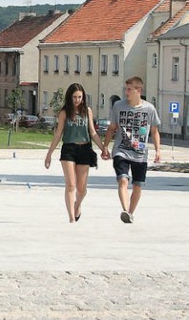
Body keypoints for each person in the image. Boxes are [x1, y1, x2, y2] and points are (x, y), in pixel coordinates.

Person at [101, 76, 161, 224]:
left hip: (140, 154)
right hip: (121, 150)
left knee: (137, 186)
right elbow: (112, 128)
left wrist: (158, 150)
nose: (126, 92)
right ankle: (125, 209)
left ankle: (130, 213)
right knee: (122, 180)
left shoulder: (149, 109)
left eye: (129, 89)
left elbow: (154, 131)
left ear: (138, 90)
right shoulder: (118, 106)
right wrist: (105, 147)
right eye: (125, 89)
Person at [45, 83, 104, 223]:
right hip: (69, 149)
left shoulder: (87, 111)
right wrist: (49, 155)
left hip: (84, 149)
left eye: (80, 97)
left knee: (82, 189)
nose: (77, 100)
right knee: (70, 185)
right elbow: (58, 134)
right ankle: (71, 218)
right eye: (74, 97)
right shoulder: (64, 112)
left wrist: (103, 148)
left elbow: (93, 132)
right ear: (69, 98)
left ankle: (77, 204)